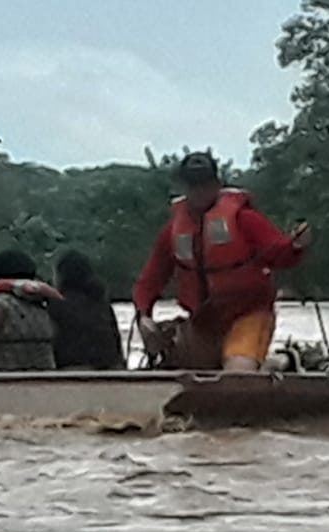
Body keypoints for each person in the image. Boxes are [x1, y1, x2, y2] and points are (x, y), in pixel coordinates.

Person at [133, 152, 312, 371]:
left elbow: (278, 252)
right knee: (175, 368)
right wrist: (144, 315)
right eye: (192, 185)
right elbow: (149, 281)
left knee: (237, 376)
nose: (199, 191)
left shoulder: (244, 219)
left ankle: (283, 362)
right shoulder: (172, 232)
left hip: (249, 314)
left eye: (204, 184)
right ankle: (266, 364)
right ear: (183, 186)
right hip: (204, 321)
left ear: (217, 184)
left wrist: (295, 245)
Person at [48, 250, 125, 370]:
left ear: (61, 275)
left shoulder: (55, 304)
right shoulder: (101, 303)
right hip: (110, 370)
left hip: (72, 371)